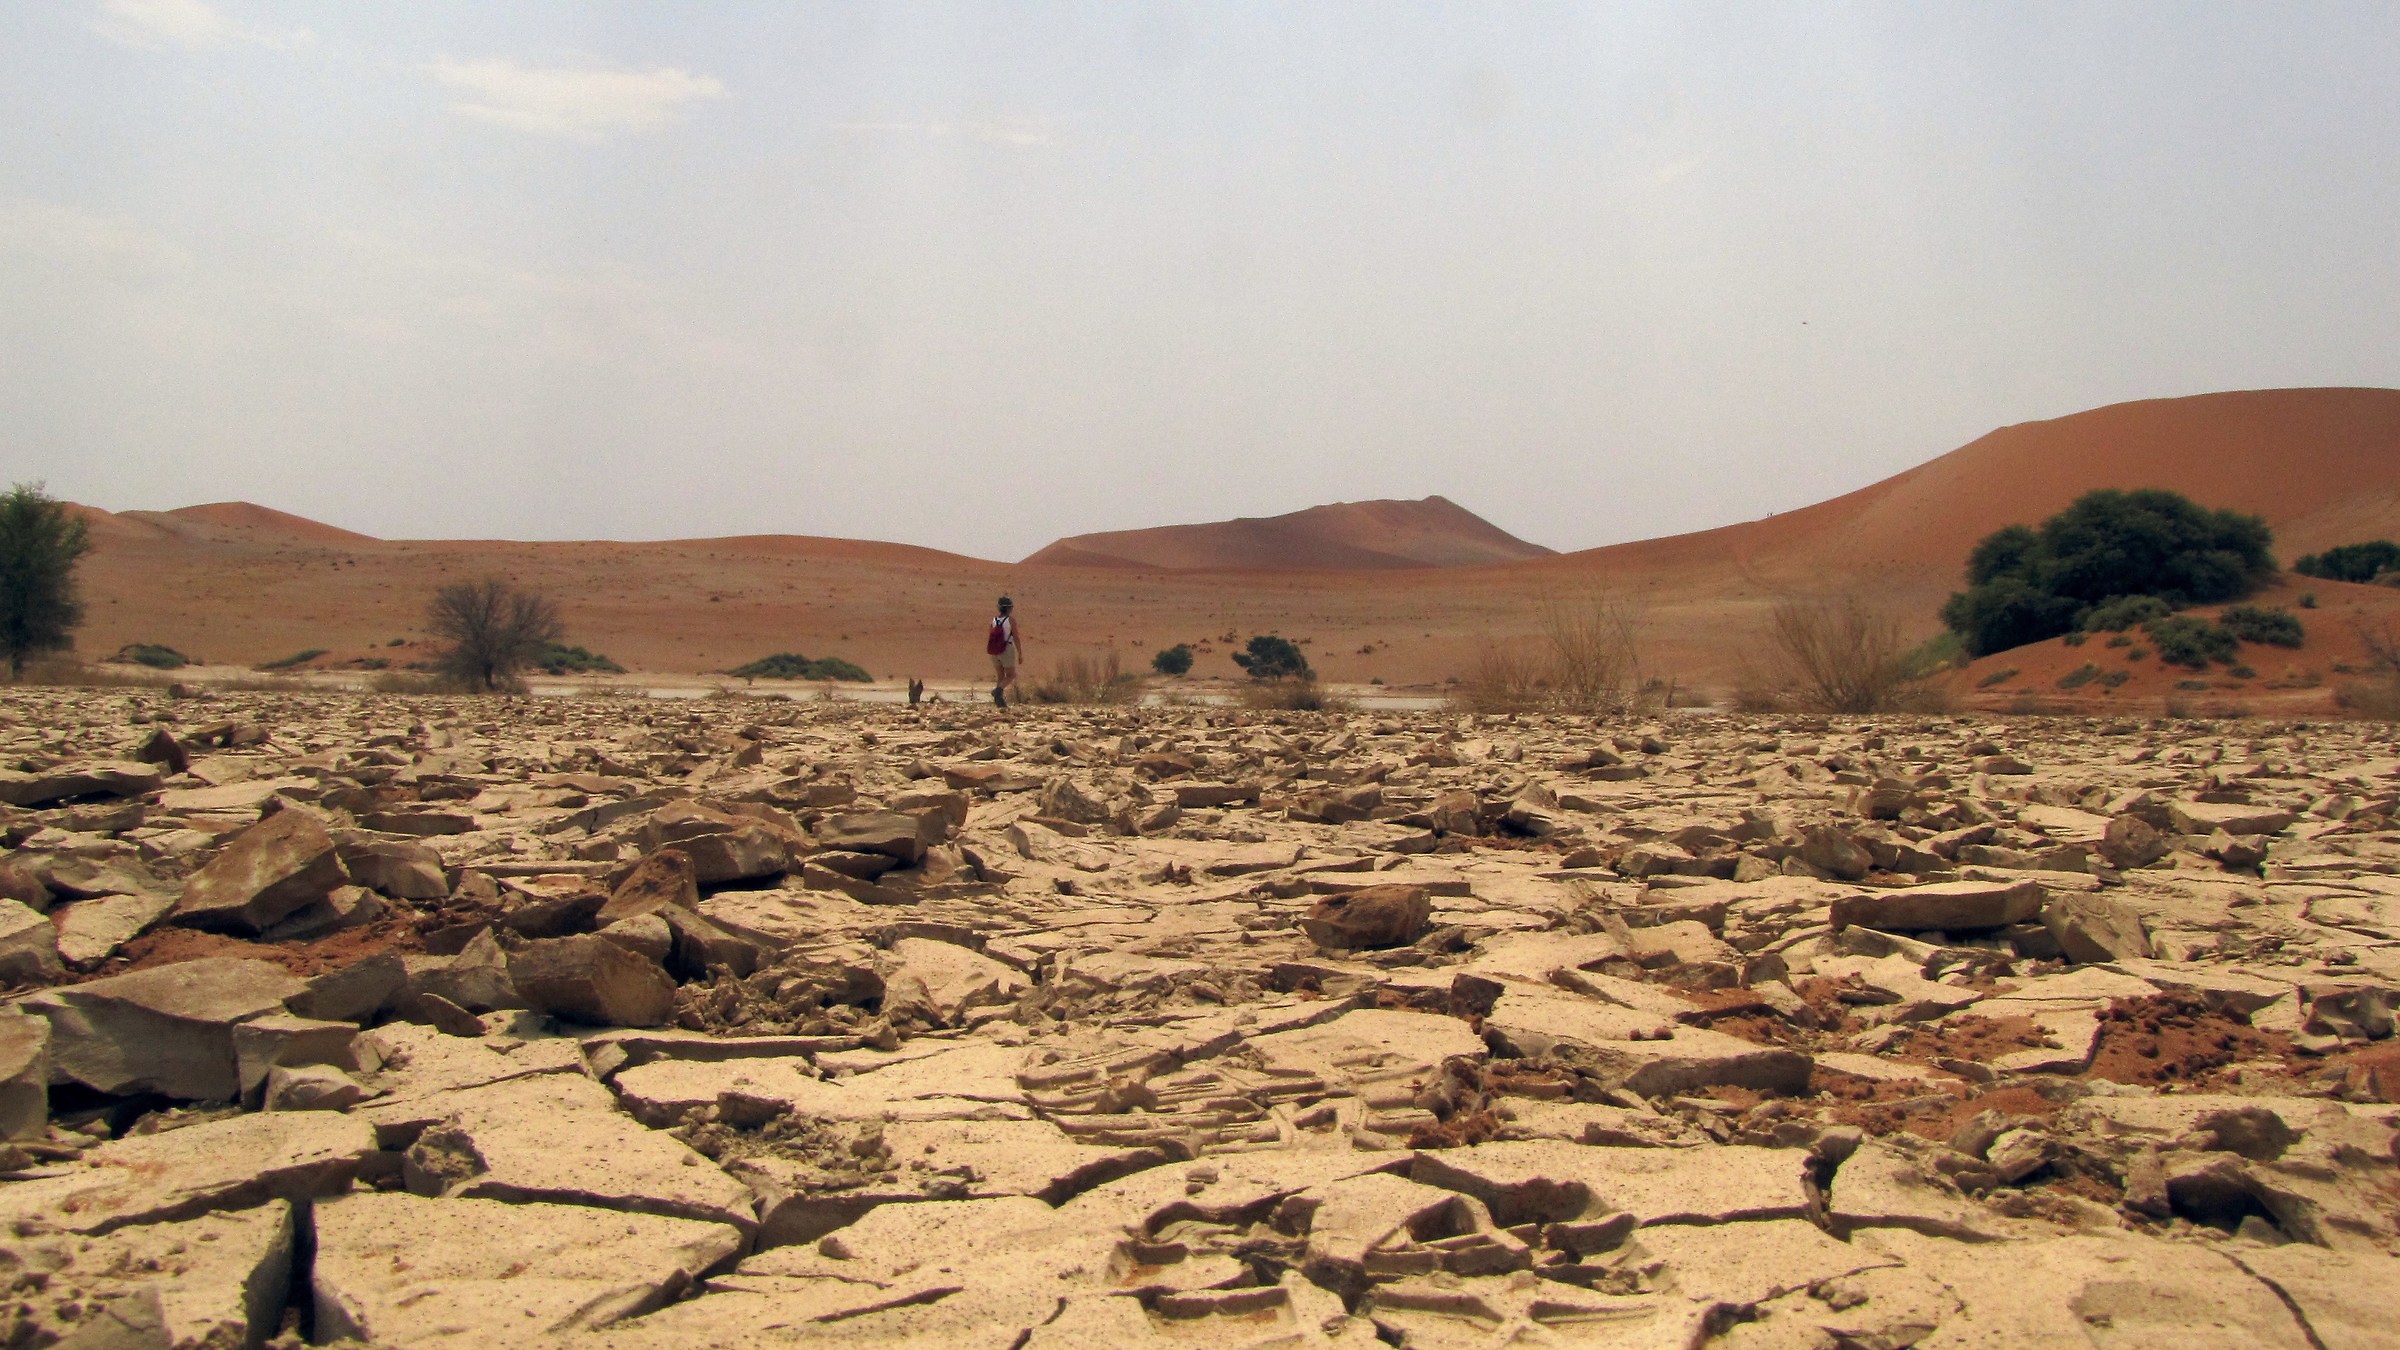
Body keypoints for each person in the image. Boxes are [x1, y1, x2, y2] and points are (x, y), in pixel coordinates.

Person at [987, 596, 1022, 707]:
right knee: (1011, 675)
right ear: (1009, 608)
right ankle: (998, 691)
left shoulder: (994, 620)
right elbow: (1016, 637)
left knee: (1001, 676)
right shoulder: (1010, 620)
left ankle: (999, 701)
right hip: (1006, 649)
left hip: (994, 650)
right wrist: (1020, 653)